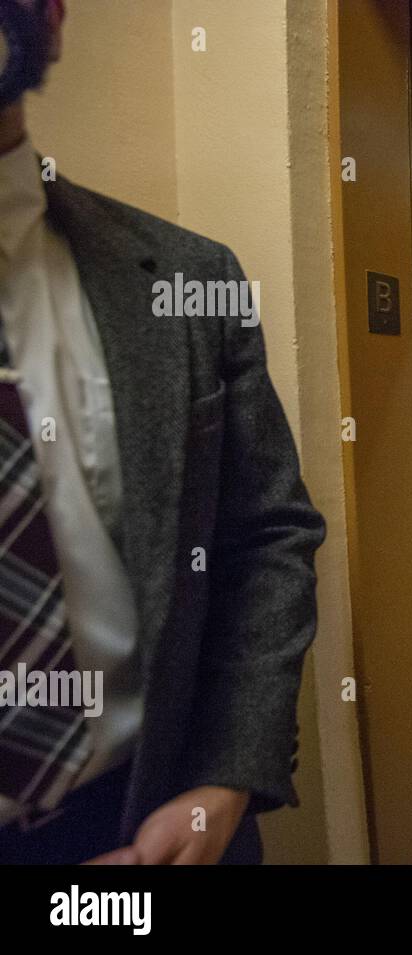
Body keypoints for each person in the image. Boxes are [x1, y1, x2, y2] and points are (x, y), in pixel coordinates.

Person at [0, 0, 325, 864]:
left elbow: (269, 537)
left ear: (54, 17)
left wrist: (224, 782)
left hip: (166, 813)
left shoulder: (190, 279)